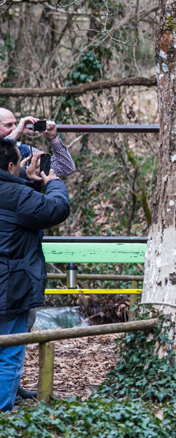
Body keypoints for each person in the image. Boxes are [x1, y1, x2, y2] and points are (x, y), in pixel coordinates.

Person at [0, 142, 70, 411]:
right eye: (20, 162)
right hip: (9, 285)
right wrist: (53, 183)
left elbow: (17, 213)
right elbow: (54, 210)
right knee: (10, 349)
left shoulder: (16, 192)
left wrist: (27, 183)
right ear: (10, 167)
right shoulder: (15, 193)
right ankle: (3, 414)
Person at [0, 109, 77, 178]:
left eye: (15, 124)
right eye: (9, 125)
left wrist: (53, 138)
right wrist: (16, 133)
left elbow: (66, 168)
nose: (15, 128)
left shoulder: (24, 150)